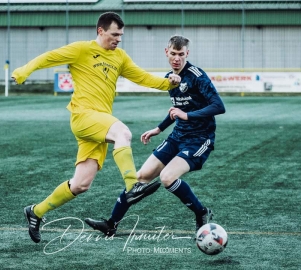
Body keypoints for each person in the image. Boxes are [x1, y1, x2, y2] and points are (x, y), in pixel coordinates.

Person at [11, 12, 181, 243]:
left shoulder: (119, 57)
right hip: (83, 116)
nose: (118, 39)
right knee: (123, 133)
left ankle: (35, 212)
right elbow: (48, 57)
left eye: (121, 35)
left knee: (81, 184)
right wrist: (23, 71)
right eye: (114, 34)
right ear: (100, 31)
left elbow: (141, 77)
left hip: (99, 123)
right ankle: (133, 186)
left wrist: (167, 83)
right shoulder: (81, 49)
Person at [85, 35, 226, 236]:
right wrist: (158, 129)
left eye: (181, 54)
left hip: (199, 139)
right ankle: (111, 224)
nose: (177, 58)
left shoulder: (196, 75)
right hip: (177, 136)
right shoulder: (170, 77)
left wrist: (187, 115)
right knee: (140, 177)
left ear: (187, 54)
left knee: (167, 177)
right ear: (166, 52)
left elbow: (218, 106)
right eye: (173, 54)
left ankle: (202, 212)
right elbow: (176, 109)